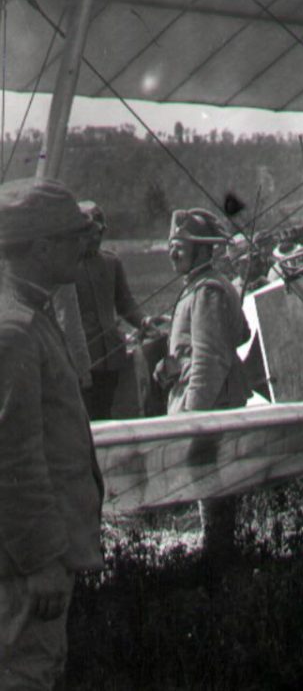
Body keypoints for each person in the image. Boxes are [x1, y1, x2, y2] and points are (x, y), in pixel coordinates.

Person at [0, 178, 103, 689]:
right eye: (72, 237)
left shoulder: (29, 315)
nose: (84, 245)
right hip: (26, 566)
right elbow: (13, 462)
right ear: (41, 248)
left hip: (31, 558)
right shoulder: (15, 329)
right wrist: (41, 562)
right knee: (27, 673)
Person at [155, 208, 251, 564]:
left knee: (212, 483)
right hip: (213, 398)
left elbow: (210, 360)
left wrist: (193, 418)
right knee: (212, 484)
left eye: (181, 246)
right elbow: (237, 333)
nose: (173, 253)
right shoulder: (201, 286)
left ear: (203, 251)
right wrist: (175, 361)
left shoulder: (207, 290)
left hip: (210, 404)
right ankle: (220, 554)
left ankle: (218, 561)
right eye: (171, 246)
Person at [73, 200, 148, 420]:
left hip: (112, 356)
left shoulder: (111, 262)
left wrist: (144, 322)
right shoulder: (65, 268)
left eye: (100, 232)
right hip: (82, 358)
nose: (96, 237)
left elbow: (125, 302)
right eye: (90, 232)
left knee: (106, 412)